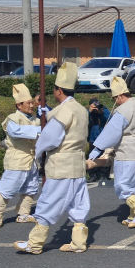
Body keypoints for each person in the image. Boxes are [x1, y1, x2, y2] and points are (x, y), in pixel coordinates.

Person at [14, 62, 90, 254]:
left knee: (49, 201)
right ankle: (79, 242)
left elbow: (49, 139)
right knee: (78, 202)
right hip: (78, 162)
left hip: (61, 162)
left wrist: (38, 153)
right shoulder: (81, 109)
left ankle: (35, 243)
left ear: (58, 91)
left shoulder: (63, 111)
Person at [88, 77, 135, 228]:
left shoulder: (123, 110)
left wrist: (97, 149)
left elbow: (112, 132)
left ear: (121, 95)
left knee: (123, 185)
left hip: (128, 150)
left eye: (116, 98)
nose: (116, 101)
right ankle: (133, 214)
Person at [0, 84, 41, 228]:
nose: (32, 105)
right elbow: (16, 132)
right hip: (17, 158)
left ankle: (23, 213)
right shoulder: (12, 118)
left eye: (32, 102)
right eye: (29, 103)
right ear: (19, 105)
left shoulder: (36, 119)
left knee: (31, 188)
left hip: (32, 159)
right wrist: (40, 129)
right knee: (8, 188)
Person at [87, 98, 110, 182]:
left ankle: (104, 175)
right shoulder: (88, 112)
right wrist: (89, 112)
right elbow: (85, 121)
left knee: (103, 156)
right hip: (92, 138)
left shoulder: (104, 110)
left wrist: (101, 113)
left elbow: (109, 118)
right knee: (92, 157)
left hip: (103, 138)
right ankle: (93, 175)